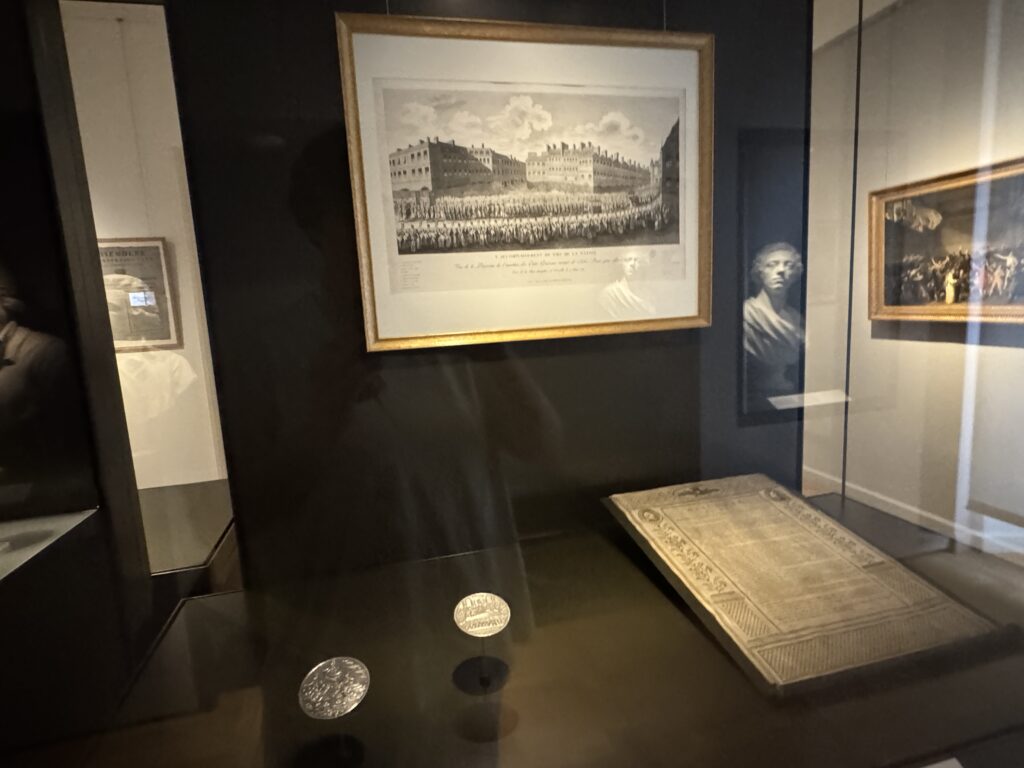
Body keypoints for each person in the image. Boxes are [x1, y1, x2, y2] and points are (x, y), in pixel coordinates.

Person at [743, 242, 804, 401]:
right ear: (760, 272)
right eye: (772, 264)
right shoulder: (747, 314)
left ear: (795, 275)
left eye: (788, 265)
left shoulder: (796, 319)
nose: (781, 270)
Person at [598, 250, 656, 319]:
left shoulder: (649, 294)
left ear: (643, 265)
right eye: (628, 260)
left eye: (637, 260)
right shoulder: (609, 293)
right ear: (622, 264)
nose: (632, 264)